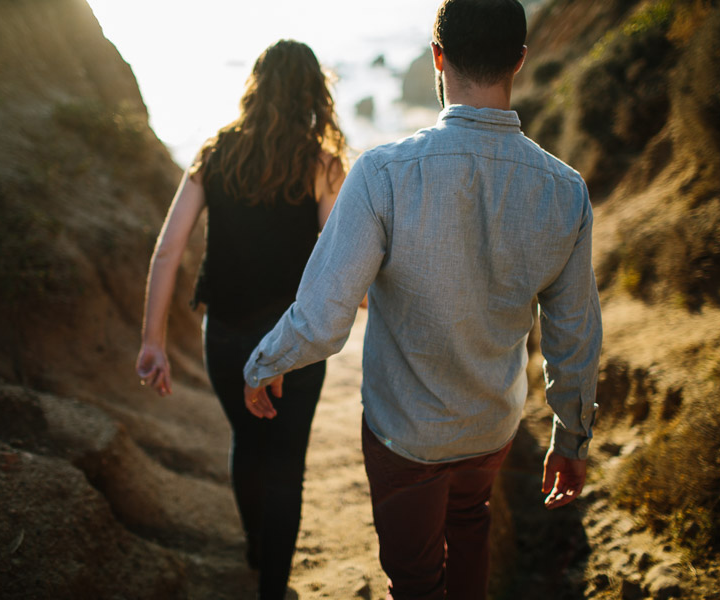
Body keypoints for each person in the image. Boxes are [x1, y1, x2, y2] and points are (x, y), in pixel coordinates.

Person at [242, 1, 602, 598]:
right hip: (491, 426)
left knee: (413, 578)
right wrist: (572, 438)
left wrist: (265, 362)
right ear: (519, 59)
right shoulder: (564, 191)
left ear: (437, 57)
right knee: (471, 525)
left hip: (404, 434)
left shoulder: (382, 174)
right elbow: (575, 336)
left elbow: (324, 320)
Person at [135, 40, 347, 600]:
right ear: (313, 94)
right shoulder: (323, 164)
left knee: (248, 445)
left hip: (225, 336)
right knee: (286, 462)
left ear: (254, 90)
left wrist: (152, 341)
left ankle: (256, 546)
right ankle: (272, 586)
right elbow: (338, 252)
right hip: (294, 343)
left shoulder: (214, 154)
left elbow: (167, 251)